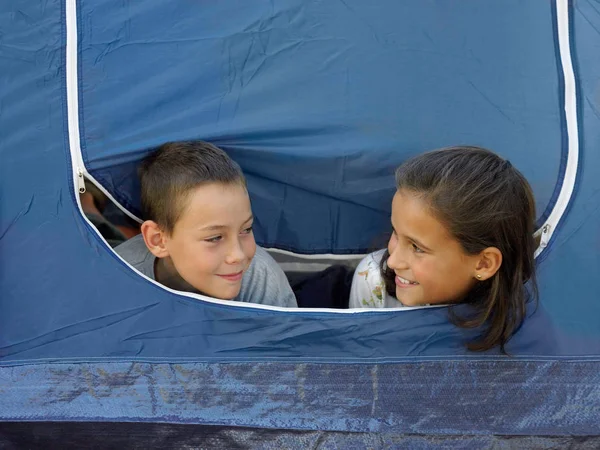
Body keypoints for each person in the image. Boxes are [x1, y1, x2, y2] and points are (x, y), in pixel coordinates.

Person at [348, 146, 538, 352]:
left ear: (484, 264)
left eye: (417, 248)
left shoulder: (527, 316)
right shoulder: (373, 280)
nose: (393, 261)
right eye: (395, 232)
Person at [115, 140, 297, 307]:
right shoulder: (117, 277)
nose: (238, 255)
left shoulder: (260, 280)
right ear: (158, 240)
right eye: (215, 238)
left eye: (246, 229)